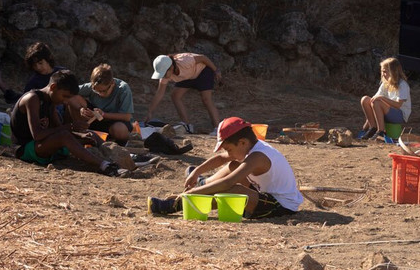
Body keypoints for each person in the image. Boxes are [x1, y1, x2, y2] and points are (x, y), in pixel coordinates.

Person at [148, 117, 304, 219]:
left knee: (233, 191)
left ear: (242, 142)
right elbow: (223, 158)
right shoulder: (250, 146)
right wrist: (197, 172)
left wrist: (189, 193)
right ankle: (205, 183)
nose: (227, 152)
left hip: (280, 206)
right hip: (263, 194)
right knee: (233, 164)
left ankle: (178, 205)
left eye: (229, 148)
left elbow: (227, 183)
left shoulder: (258, 157)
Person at [10, 70, 126, 175]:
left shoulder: (51, 102)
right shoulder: (32, 99)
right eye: (65, 96)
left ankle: (122, 157)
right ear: (53, 87)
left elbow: (58, 128)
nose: (65, 101)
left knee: (91, 135)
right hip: (25, 149)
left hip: (43, 145)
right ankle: (105, 166)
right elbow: (38, 135)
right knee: (65, 136)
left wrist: (80, 135)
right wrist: (70, 127)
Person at [147, 53, 222, 133]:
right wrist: (150, 112)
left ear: (171, 67)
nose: (163, 76)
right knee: (175, 96)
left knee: (206, 99)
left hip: (202, 72)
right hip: (188, 76)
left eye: (164, 73)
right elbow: (160, 93)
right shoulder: (165, 76)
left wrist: (216, 70)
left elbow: (203, 58)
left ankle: (218, 128)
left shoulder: (185, 61)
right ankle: (187, 125)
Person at [76, 63, 136, 145]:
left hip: (114, 122)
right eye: (96, 91)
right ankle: (79, 130)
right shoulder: (92, 87)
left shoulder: (123, 89)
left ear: (112, 84)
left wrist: (104, 114)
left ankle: (114, 141)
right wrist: (81, 109)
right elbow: (71, 90)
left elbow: (127, 117)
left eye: (103, 91)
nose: (100, 94)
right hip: (94, 121)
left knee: (120, 130)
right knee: (74, 98)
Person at [358, 57, 411, 141]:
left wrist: (383, 98)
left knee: (378, 101)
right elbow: (372, 102)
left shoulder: (402, 85)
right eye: (382, 71)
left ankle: (381, 131)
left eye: (385, 72)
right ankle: (373, 128)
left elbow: (398, 105)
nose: (382, 74)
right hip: (386, 112)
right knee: (365, 99)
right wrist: (366, 124)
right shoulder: (385, 84)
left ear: (393, 72)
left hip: (399, 115)